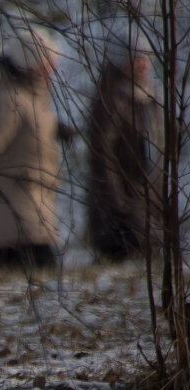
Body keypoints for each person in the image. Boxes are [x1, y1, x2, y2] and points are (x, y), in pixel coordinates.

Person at [0, 27, 63, 272]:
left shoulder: (33, 97)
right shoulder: (9, 100)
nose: (52, 67)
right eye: (47, 62)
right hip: (16, 197)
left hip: (32, 196)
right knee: (39, 263)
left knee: (18, 263)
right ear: (30, 64)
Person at [86, 29, 162, 261]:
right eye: (135, 58)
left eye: (144, 58)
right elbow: (102, 153)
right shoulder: (111, 99)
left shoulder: (150, 98)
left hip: (148, 195)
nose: (142, 65)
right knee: (128, 253)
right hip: (119, 198)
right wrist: (117, 200)